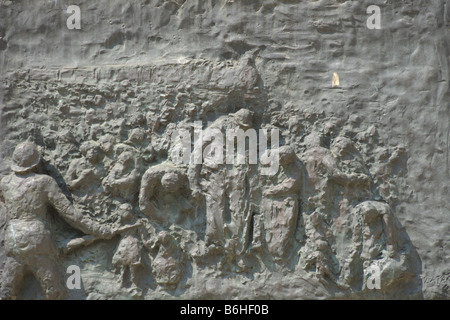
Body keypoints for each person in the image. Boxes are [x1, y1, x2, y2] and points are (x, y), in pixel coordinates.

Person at [0, 142, 129, 299]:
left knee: (7, 290)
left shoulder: (5, 183)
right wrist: (98, 229)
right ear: (36, 162)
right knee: (54, 291)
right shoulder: (43, 182)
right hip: (37, 241)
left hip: (13, 240)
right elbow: (71, 215)